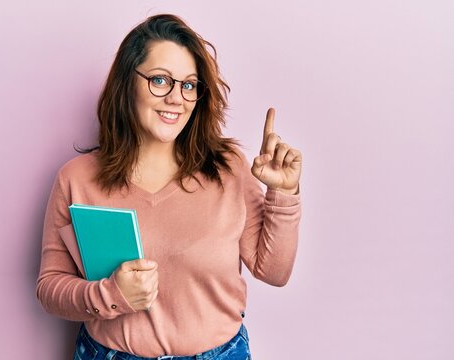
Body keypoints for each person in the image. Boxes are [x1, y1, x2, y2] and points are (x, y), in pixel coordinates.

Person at [36, 13, 302, 360]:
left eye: (189, 85)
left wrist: (283, 193)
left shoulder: (230, 168)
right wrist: (109, 294)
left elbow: (275, 272)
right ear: (126, 83)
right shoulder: (76, 178)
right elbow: (50, 287)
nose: (177, 98)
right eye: (160, 80)